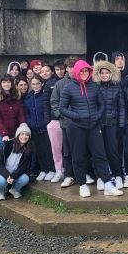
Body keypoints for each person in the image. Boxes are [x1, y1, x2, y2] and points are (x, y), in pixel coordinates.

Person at [59, 59, 117, 197]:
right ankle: (82, 184)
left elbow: (102, 104)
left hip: (93, 125)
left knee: (100, 155)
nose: (84, 73)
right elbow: (62, 108)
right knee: (78, 156)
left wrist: (97, 116)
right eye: (82, 71)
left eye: (86, 70)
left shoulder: (94, 86)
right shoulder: (68, 87)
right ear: (77, 72)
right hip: (76, 127)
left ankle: (108, 184)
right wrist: (76, 116)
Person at [93, 60, 126, 194]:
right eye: (102, 73)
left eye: (107, 73)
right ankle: (101, 177)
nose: (105, 75)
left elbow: (122, 107)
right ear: (99, 74)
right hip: (98, 125)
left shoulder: (117, 87)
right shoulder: (95, 87)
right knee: (100, 152)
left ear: (111, 74)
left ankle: (118, 176)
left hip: (112, 123)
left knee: (113, 151)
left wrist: (121, 124)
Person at [51, 57, 78, 188]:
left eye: (74, 66)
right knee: (67, 151)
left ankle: (83, 173)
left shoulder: (85, 81)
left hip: (82, 123)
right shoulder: (60, 84)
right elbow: (54, 102)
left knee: (82, 150)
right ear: (66, 68)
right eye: (70, 66)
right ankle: (68, 175)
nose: (72, 69)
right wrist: (61, 116)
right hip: (66, 123)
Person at [24, 74, 56, 181]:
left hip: (45, 127)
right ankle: (43, 169)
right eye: (33, 84)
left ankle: (51, 170)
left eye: (37, 83)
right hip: (34, 128)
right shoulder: (28, 97)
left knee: (48, 149)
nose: (35, 86)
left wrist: (46, 123)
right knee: (39, 150)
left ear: (42, 84)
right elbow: (27, 113)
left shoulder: (44, 96)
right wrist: (30, 123)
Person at [0, 123, 33, 201]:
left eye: (27, 135)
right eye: (22, 134)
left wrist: (12, 176)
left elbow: (23, 167)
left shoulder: (28, 150)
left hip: (14, 175)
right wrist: (7, 176)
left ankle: (15, 190)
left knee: (25, 178)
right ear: (18, 135)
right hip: (3, 174)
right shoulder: (8, 145)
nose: (24, 137)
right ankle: (0, 192)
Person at [0, 74, 25, 152]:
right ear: (0, 84)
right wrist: (4, 133)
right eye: (4, 82)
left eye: (8, 82)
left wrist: (23, 125)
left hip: (16, 133)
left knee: (16, 157)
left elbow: (21, 113)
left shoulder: (16, 96)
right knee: (2, 158)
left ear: (12, 83)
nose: (6, 84)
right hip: (2, 135)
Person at [41, 64, 64, 182]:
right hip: (54, 119)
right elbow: (46, 103)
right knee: (56, 147)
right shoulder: (50, 83)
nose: (60, 71)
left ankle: (69, 171)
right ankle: (58, 170)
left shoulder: (70, 82)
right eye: (57, 69)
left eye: (61, 69)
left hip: (69, 119)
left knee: (68, 148)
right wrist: (48, 121)